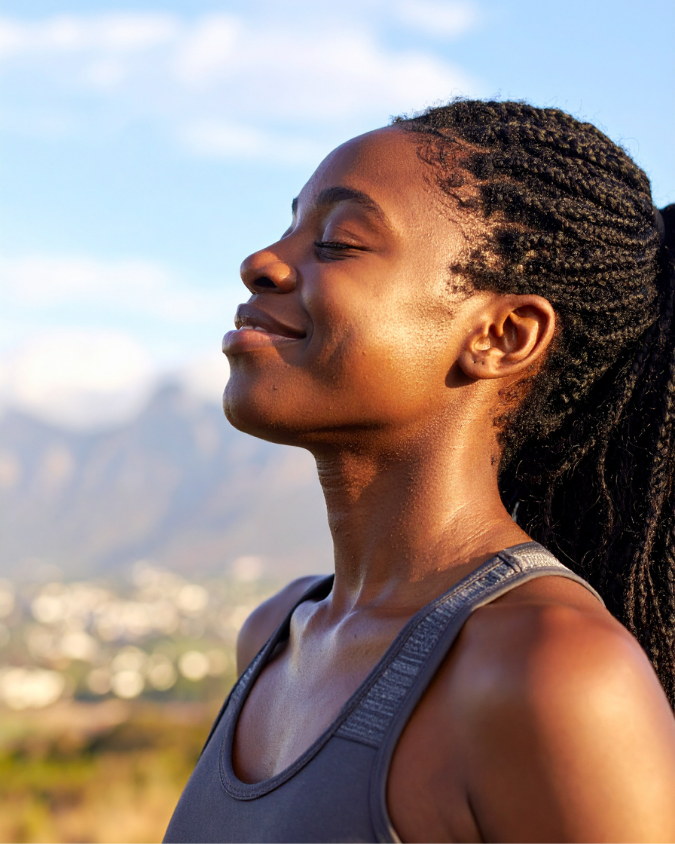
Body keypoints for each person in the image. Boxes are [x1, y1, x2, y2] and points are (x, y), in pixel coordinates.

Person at [164, 100, 675, 843]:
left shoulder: (551, 674)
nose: (260, 262)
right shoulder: (275, 635)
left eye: (338, 242)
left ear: (503, 335)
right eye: (290, 226)